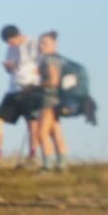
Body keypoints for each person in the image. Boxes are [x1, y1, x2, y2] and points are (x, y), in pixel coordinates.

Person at [0, 24, 44, 165]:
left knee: (32, 123)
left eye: (11, 40)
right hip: (13, 89)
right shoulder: (10, 49)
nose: (10, 44)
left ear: (17, 35)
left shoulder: (34, 43)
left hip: (31, 88)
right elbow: (11, 70)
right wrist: (8, 67)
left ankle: (33, 155)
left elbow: (43, 64)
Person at [36, 31, 70, 170]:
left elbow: (53, 81)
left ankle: (48, 165)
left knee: (41, 133)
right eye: (41, 42)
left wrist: (35, 86)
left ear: (54, 44)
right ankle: (62, 163)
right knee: (55, 132)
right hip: (59, 99)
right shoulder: (60, 59)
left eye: (45, 43)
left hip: (49, 99)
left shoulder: (48, 59)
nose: (41, 46)